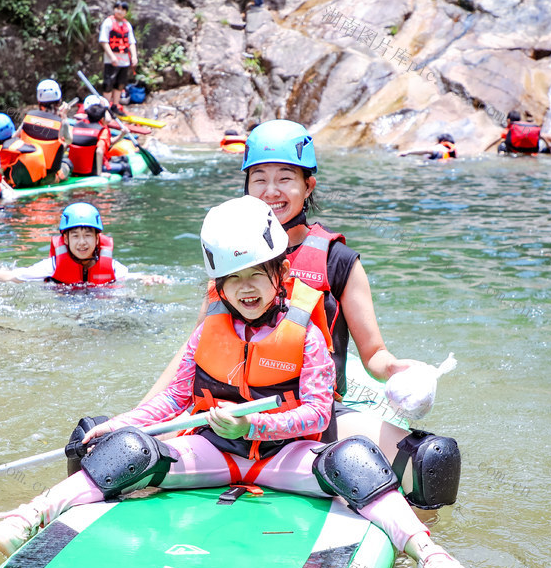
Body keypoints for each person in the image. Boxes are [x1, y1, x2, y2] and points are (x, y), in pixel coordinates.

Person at [0, 197, 475, 568]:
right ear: (219, 285)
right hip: (215, 452)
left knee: (354, 461)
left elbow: (315, 414)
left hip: (286, 456)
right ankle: (31, 516)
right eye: (233, 279)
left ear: (281, 272)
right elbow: (174, 400)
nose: (246, 288)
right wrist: (127, 420)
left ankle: (429, 556)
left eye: (256, 274)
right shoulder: (208, 331)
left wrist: (253, 425)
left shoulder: (307, 333)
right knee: (127, 447)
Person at [143, 120, 462, 513]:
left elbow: (373, 353)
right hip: (229, 419)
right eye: (259, 179)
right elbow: (194, 351)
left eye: (285, 178)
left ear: (308, 186)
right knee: (103, 443)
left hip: (313, 418)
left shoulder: (338, 261)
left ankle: (404, 534)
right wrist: (141, 414)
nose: (271, 191)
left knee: (432, 462)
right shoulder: (228, 259)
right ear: (246, 187)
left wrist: (394, 368)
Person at [0, 202, 163, 285]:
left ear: (97, 239)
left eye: (88, 235)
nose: (82, 242)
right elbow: (9, 276)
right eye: (75, 236)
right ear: (65, 239)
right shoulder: (52, 267)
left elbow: (133, 278)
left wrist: (149, 279)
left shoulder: (112, 267)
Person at [0, 80, 74, 187]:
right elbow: (69, 140)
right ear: (59, 102)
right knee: (68, 163)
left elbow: (14, 137)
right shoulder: (61, 122)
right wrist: (64, 117)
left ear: (39, 102)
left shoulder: (29, 117)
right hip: (47, 178)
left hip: (28, 171)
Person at [68, 95, 127, 177]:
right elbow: (99, 151)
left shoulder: (76, 126)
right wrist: (99, 173)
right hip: (92, 171)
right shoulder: (101, 130)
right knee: (126, 167)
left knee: (123, 158)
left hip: (73, 169)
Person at [99, 1, 137, 114]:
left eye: (123, 10)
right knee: (108, 83)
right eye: (118, 8)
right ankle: (106, 108)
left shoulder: (127, 25)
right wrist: (112, 57)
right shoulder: (108, 22)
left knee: (120, 84)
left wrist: (134, 56)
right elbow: (104, 41)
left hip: (124, 59)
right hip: (111, 59)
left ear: (126, 12)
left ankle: (115, 106)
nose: (120, 11)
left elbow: (131, 42)